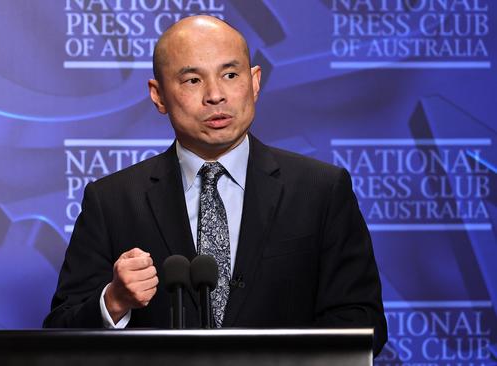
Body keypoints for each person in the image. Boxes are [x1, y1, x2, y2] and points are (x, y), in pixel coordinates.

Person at [44, 15, 387, 355]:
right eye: (193, 80)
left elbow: (363, 323)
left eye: (230, 75)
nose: (215, 95)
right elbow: (58, 333)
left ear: (254, 82)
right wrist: (114, 300)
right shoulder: (112, 201)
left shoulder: (321, 191)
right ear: (158, 95)